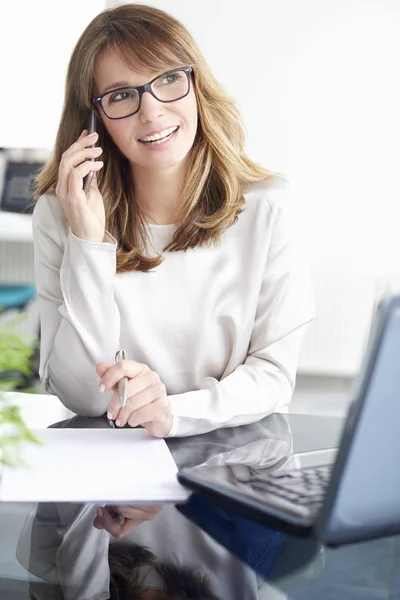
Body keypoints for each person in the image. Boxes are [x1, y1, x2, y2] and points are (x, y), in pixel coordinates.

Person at [32, 3, 314, 438]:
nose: (152, 112)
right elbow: (83, 396)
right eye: (122, 95)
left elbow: (274, 376)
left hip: (233, 457)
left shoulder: (268, 207)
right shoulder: (59, 213)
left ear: (195, 84)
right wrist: (88, 243)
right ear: (94, 121)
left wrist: (173, 412)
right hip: (108, 464)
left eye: (167, 80)